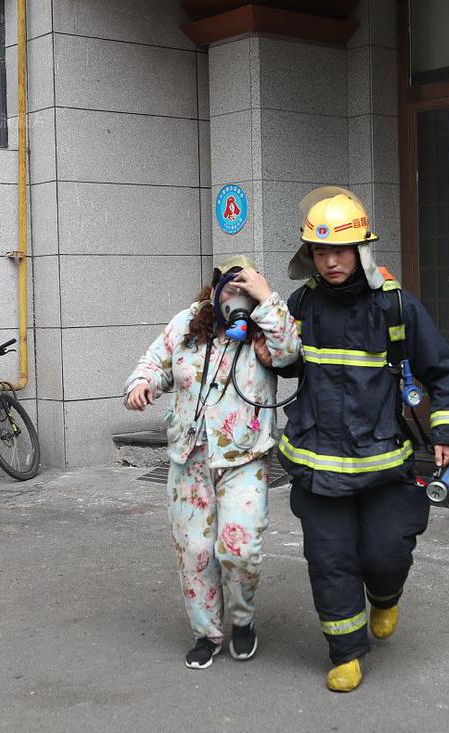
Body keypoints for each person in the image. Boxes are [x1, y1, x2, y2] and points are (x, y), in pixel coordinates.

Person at [279, 187, 449, 692]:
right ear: (309, 255)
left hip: (384, 465)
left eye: (340, 250)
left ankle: (385, 597)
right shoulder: (301, 305)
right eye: (321, 251)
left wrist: (447, 431)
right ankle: (345, 651)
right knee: (329, 559)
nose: (331, 261)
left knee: (386, 554)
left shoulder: (396, 308)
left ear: (361, 250)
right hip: (318, 465)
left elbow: (445, 373)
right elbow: (286, 364)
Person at [123, 256, 301, 669]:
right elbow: (152, 365)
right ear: (215, 289)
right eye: (230, 289)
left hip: (244, 458)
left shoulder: (264, 327)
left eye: (245, 288)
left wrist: (265, 299)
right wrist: (142, 385)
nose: (235, 297)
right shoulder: (187, 323)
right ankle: (207, 633)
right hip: (189, 460)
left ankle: (242, 622)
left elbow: (290, 351)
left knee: (240, 548)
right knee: (196, 551)